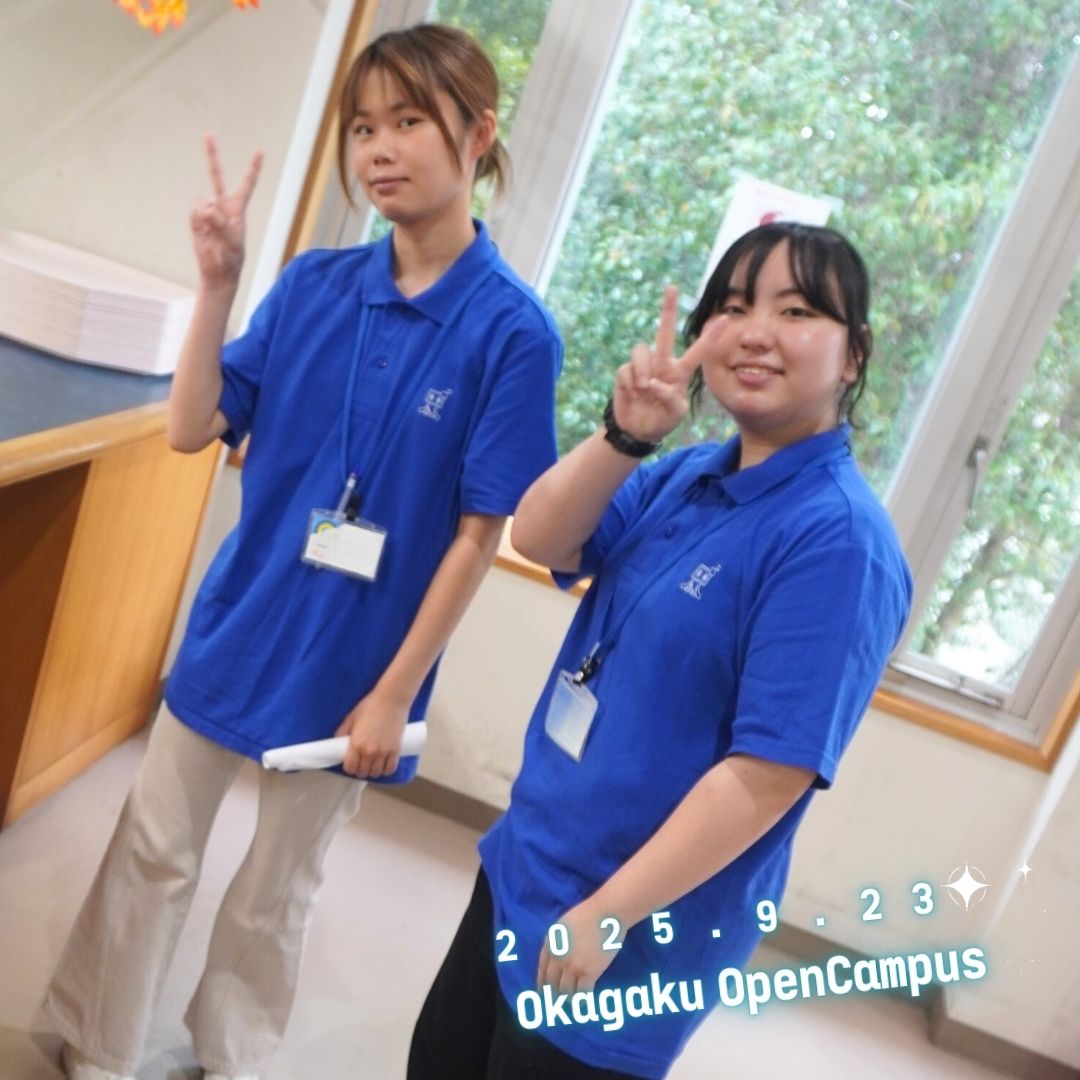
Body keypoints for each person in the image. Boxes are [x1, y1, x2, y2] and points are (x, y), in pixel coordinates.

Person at [43, 23, 562, 1080]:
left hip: (360, 665)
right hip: (242, 617)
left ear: (478, 135)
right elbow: (192, 426)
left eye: (408, 120)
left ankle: (227, 1059)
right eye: (362, 127)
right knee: (152, 847)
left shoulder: (515, 334)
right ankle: (101, 1049)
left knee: (280, 885)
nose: (379, 148)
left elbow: (478, 537)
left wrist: (394, 695)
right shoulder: (313, 286)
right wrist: (218, 286)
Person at [408, 221, 913, 1079]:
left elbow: (768, 775)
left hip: (624, 935)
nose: (755, 332)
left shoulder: (838, 541)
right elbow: (540, 535)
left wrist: (612, 911)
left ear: (853, 355)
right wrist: (624, 435)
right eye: (733, 307)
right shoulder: (689, 474)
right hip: (527, 865)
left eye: (795, 311)